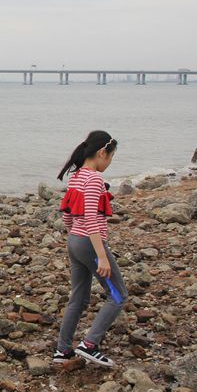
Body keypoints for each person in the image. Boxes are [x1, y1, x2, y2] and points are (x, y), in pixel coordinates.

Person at [53, 130, 128, 368]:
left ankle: (63, 350)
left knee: (79, 297)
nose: (110, 162)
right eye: (111, 157)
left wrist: (72, 235)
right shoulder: (94, 179)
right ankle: (90, 345)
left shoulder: (75, 177)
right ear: (101, 153)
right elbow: (93, 219)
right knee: (118, 295)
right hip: (89, 243)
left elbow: (67, 211)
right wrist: (102, 256)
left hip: (75, 240)